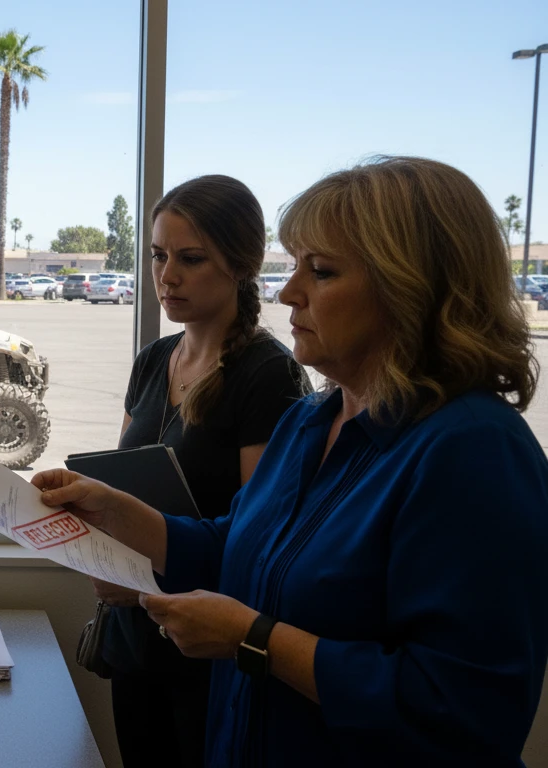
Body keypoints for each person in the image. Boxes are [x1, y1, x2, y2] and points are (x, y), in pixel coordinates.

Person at [36, 156, 548, 767]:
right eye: (294, 265)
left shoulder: (473, 451)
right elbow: (244, 548)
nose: (287, 291)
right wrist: (123, 514)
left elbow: (464, 709)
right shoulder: (311, 421)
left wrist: (254, 641)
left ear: (411, 289)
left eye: (321, 270)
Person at [96, 174, 308, 768]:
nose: (167, 276)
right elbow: (120, 484)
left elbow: (257, 537)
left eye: (191, 259)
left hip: (208, 646)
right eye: (159, 256)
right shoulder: (154, 360)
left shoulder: (267, 376)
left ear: (241, 265)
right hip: (136, 633)